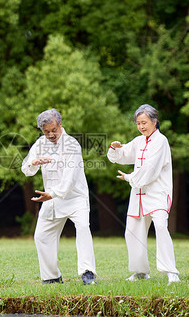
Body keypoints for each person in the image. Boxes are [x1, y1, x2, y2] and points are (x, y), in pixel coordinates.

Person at [21, 108, 97, 285]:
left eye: (53, 130)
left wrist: (52, 194)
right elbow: (26, 170)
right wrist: (33, 163)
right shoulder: (40, 144)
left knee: (83, 228)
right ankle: (52, 277)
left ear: (60, 125)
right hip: (51, 199)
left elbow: (70, 180)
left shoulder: (72, 145)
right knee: (41, 236)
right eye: (46, 131)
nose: (51, 134)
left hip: (75, 198)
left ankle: (88, 273)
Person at [107, 104, 180, 284]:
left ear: (155, 122)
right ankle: (140, 272)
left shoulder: (161, 141)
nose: (141, 126)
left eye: (144, 122)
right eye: (138, 123)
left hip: (157, 194)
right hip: (138, 195)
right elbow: (124, 154)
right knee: (132, 231)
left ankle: (171, 272)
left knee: (161, 228)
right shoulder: (139, 141)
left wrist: (130, 177)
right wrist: (115, 149)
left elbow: (151, 169)